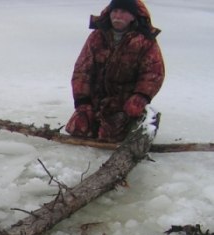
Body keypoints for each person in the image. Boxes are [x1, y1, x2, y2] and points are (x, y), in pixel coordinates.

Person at [65, 0, 165, 142]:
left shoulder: (145, 41)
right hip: (95, 101)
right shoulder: (96, 36)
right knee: (78, 129)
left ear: (132, 16)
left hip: (123, 104)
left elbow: (153, 73)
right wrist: (83, 102)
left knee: (109, 136)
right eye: (115, 11)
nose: (117, 16)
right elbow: (82, 71)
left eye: (123, 12)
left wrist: (140, 97)